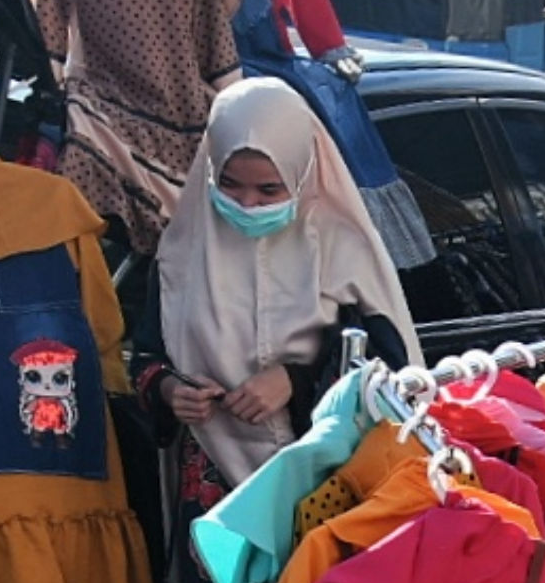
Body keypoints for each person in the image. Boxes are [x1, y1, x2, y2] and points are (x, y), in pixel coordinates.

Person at [137, 76, 421, 490]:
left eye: (269, 189)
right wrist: (168, 389)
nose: (247, 204)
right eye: (230, 184)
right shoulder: (181, 254)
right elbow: (146, 355)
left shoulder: (344, 248)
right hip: (216, 489)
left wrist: (295, 380)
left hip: (324, 485)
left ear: (302, 172)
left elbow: (390, 371)